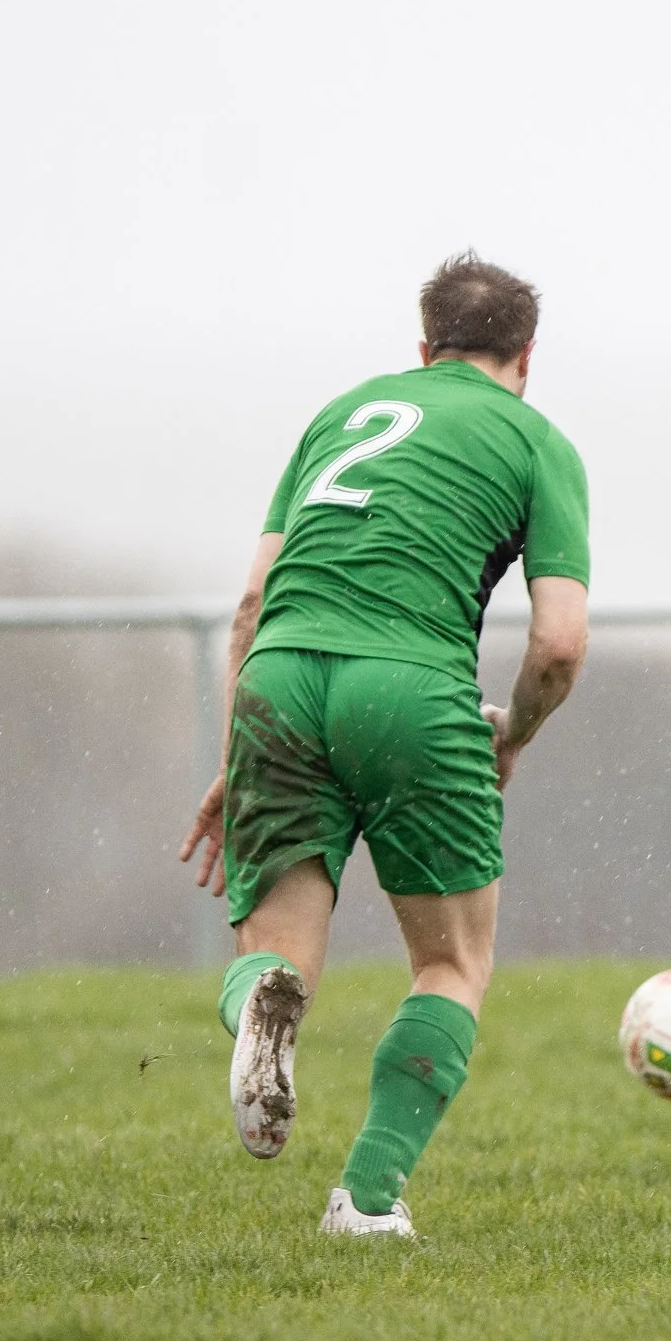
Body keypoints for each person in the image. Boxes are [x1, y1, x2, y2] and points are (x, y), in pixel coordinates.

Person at [177, 252, 590, 1237]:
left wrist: (239, 754)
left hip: (279, 673)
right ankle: (366, 1202)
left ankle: (264, 1005)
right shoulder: (536, 441)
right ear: (525, 356)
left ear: (423, 346)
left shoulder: (343, 413)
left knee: (276, 950)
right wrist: (515, 732)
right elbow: (561, 643)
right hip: (410, 686)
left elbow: (250, 603)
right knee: (451, 963)